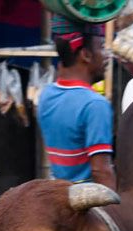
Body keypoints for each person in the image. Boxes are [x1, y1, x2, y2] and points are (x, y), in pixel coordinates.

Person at [37, 15, 115, 189]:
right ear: (86, 55)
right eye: (102, 47)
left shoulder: (46, 95)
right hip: (87, 206)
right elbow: (101, 171)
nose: (107, 55)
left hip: (58, 195)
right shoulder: (95, 104)